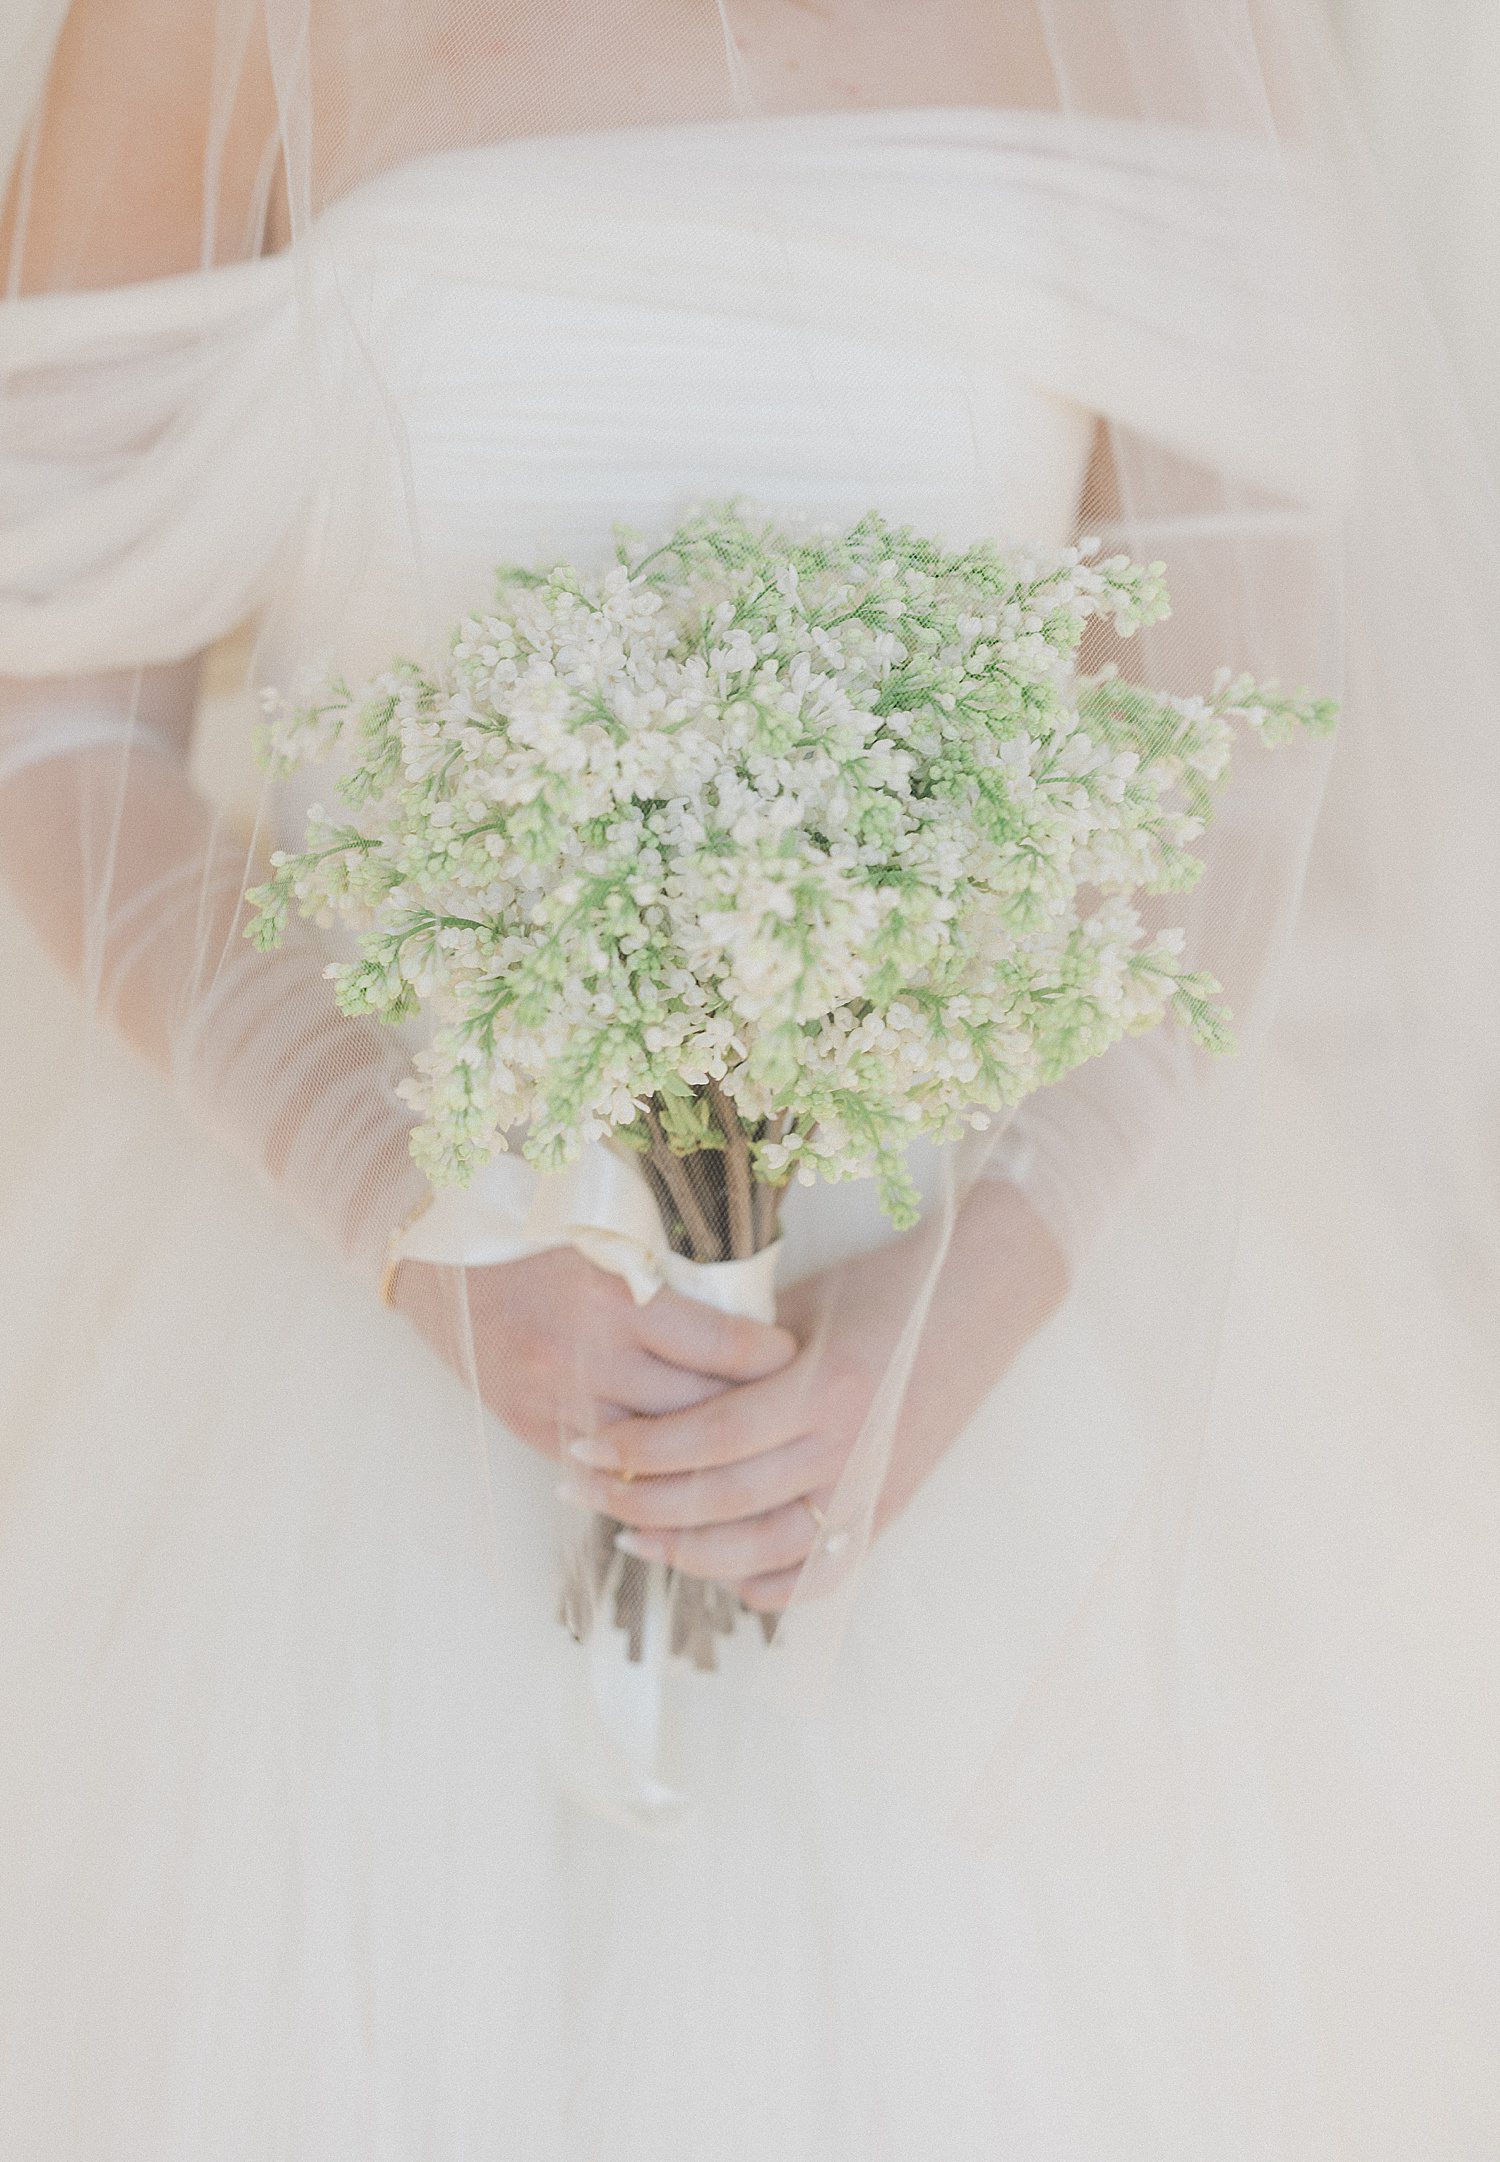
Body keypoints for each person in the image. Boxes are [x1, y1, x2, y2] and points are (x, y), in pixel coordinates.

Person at [1, 4, 1496, 2155]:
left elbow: (1241, 759)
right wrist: (400, 1213)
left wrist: (981, 1285)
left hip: (975, 1348)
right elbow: (59, 729)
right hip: (345, 1317)